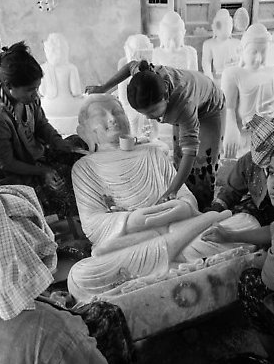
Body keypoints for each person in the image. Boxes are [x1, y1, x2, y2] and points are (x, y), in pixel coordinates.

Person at [0, 184, 202, 364]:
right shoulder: (54, 336)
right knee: (83, 273)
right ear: (19, 256)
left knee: (104, 312)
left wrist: (46, 299)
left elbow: (187, 206)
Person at [67, 94, 259, 303]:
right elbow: (92, 224)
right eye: (100, 115)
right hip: (133, 243)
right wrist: (132, 221)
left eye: (117, 112)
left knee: (246, 223)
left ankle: (160, 269)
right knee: (81, 276)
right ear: (85, 130)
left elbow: (185, 196)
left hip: (175, 225)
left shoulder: (151, 153)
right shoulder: (85, 167)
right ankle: (182, 259)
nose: (112, 119)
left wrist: (183, 207)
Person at [201, 137, 274, 364]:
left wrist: (263, 259)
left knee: (250, 283)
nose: (273, 184)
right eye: (271, 172)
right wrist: (230, 236)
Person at [85, 60, 226, 210]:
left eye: (152, 111)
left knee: (202, 166)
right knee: (178, 161)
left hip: (210, 108)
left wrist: (172, 190)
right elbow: (130, 66)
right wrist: (103, 88)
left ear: (165, 94)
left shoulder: (183, 105)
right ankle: (183, 197)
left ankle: (201, 209)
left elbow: (190, 153)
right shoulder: (144, 79)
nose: (149, 118)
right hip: (183, 102)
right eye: (143, 113)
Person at [0, 41, 86, 217]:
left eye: (37, 88)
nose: (36, 94)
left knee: (78, 145)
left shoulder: (30, 99)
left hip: (38, 155)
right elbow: (7, 163)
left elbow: (41, 124)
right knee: (62, 184)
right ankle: (73, 221)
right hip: (14, 171)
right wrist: (43, 171)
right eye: (30, 90)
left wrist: (57, 141)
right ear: (9, 86)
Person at [209, 114, 274, 226]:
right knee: (232, 219)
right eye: (271, 172)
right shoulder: (248, 162)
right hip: (260, 208)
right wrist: (216, 209)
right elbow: (231, 190)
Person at [221, 23, 274, 158]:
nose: (259, 58)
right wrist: (231, 130)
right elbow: (228, 108)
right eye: (253, 52)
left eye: (263, 51)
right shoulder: (233, 74)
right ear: (242, 51)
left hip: (269, 131)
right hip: (244, 133)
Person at [39, 32, 86, 135]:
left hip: (48, 109)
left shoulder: (43, 68)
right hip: (69, 108)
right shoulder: (71, 68)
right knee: (85, 102)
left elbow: (42, 92)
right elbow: (76, 92)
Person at [201, 8, 241, 87]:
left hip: (236, 80)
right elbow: (206, 63)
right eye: (224, 25)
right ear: (215, 27)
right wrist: (210, 79)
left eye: (229, 25)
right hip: (218, 81)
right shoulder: (209, 44)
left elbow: (243, 63)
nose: (227, 28)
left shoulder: (237, 43)